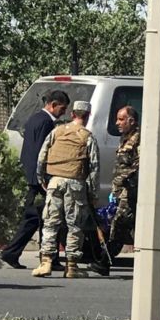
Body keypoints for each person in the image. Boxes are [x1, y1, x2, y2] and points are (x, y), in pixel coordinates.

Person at [1, 90, 70, 270]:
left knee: (38, 217)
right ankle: (34, 255)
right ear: (53, 105)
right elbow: (42, 151)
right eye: (62, 108)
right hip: (38, 178)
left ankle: (45, 256)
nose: (63, 112)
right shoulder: (46, 122)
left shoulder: (34, 118)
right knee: (46, 217)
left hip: (30, 175)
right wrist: (44, 177)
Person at [32, 100, 99, 278]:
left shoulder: (57, 131)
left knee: (50, 222)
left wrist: (41, 179)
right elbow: (94, 167)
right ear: (88, 116)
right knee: (75, 225)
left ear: (72, 114)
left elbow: (42, 156)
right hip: (76, 184)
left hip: (55, 181)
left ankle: (46, 262)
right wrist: (93, 193)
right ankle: (72, 266)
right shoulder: (88, 137)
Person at [90, 105, 140, 276]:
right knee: (120, 225)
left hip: (131, 190)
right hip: (121, 191)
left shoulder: (139, 139)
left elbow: (139, 165)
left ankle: (104, 262)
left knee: (120, 225)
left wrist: (126, 182)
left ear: (131, 121)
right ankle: (104, 261)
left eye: (121, 119)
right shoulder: (125, 138)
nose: (117, 123)